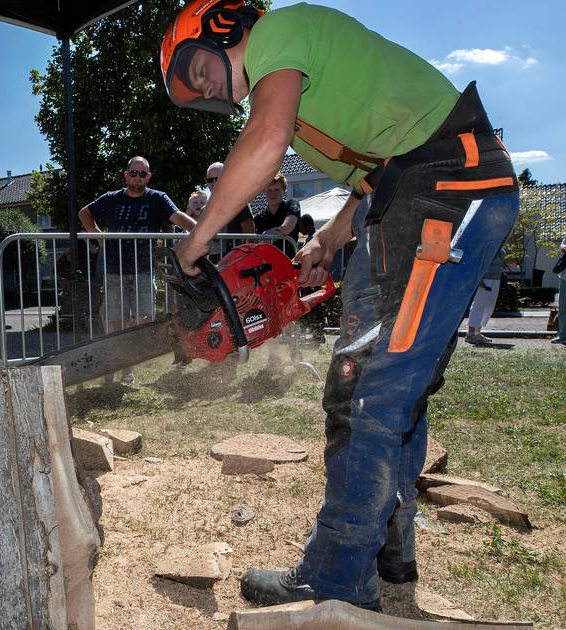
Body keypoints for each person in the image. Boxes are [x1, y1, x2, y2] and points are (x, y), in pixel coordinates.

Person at [164, 0, 519, 611]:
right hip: (422, 186)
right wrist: (330, 238)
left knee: (367, 391)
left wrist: (196, 241)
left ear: (223, 26)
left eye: (198, 70)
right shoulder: (301, 103)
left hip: (446, 181)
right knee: (389, 389)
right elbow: (374, 177)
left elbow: (265, 141)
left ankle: (336, 579)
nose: (205, 87)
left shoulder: (281, 32)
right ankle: (388, 560)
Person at [79, 156, 196, 384]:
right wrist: (99, 237)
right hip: (114, 270)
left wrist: (201, 230)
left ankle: (126, 365)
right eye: (133, 173)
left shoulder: (157, 198)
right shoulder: (112, 198)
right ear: (126, 175)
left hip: (144, 270)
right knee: (114, 321)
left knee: (144, 319)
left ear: (148, 177)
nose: (137, 177)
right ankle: (117, 367)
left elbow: (178, 217)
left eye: (142, 174)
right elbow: (84, 213)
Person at [464, 251, 504, 345]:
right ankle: (471, 333)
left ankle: (477, 333)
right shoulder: (488, 244)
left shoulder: (500, 246)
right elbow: (477, 260)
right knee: (479, 304)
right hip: (485, 277)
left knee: (489, 306)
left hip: (496, 277)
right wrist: (479, 278)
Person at [207, 162, 256, 235]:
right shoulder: (205, 209)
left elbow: (250, 235)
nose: (214, 182)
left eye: (217, 179)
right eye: (210, 180)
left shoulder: (239, 204)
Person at [255, 172, 301, 238]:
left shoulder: (292, 205)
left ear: (284, 190)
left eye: (276, 190)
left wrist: (265, 236)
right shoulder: (258, 218)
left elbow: (287, 227)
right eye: (269, 190)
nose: (273, 193)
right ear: (264, 191)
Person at [553, 235, 566, 346]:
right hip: (565, 279)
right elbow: (562, 245)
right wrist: (564, 247)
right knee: (563, 308)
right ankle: (562, 335)